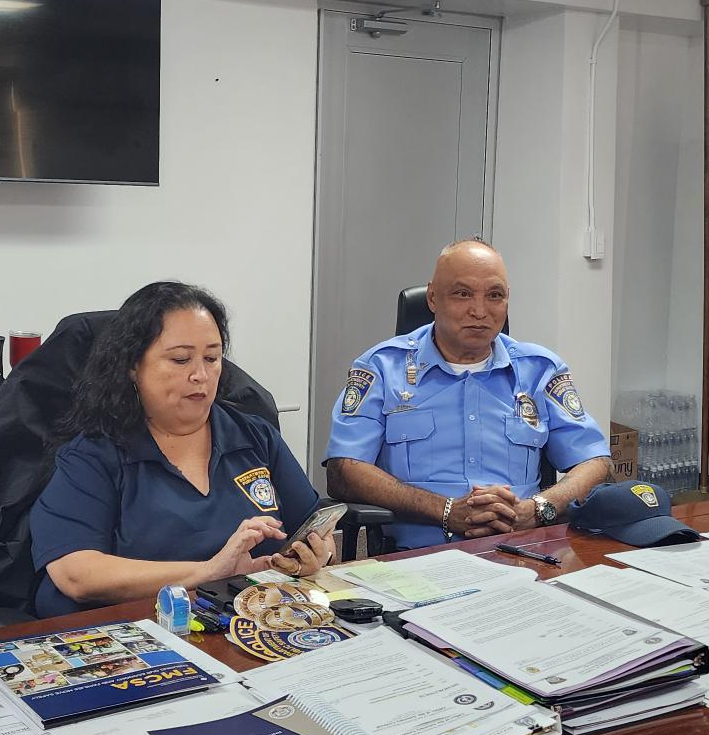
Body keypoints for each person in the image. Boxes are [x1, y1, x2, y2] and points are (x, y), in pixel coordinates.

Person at [30, 282, 335, 616]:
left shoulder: (254, 436)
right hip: (141, 633)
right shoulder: (96, 454)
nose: (200, 375)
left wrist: (314, 554)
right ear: (133, 366)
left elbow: (312, 527)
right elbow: (76, 574)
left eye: (212, 358)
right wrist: (211, 571)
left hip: (250, 622)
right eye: (180, 359)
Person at [325, 238, 612, 549]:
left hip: (524, 552)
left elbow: (596, 463)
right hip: (417, 558)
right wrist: (446, 511)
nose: (479, 311)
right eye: (462, 294)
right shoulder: (382, 368)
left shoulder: (540, 369)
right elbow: (344, 471)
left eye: (494, 296)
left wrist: (539, 508)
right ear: (433, 298)